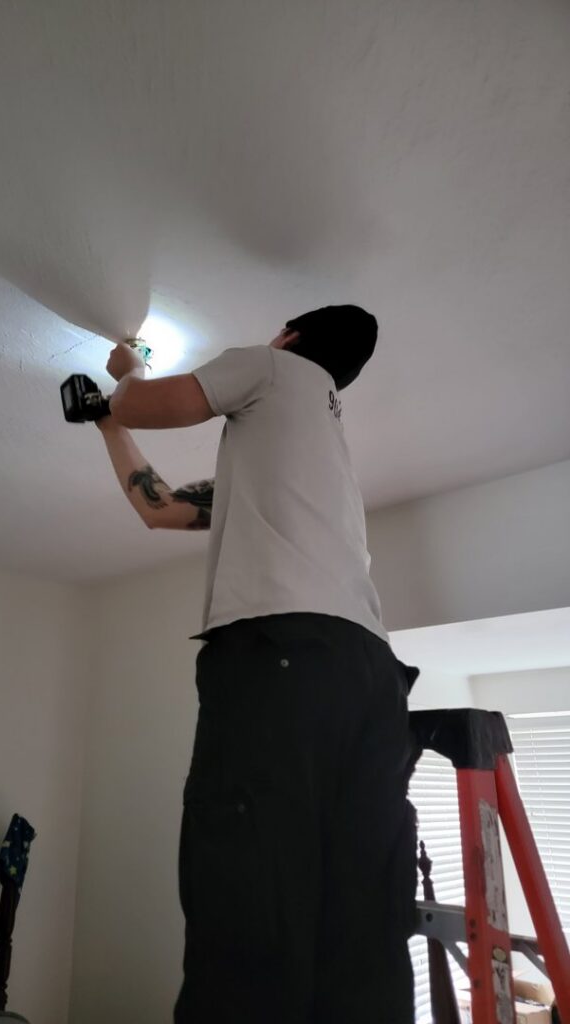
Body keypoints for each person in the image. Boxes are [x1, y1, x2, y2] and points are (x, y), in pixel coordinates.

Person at [95, 305, 418, 1024]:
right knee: (361, 932)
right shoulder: (316, 462)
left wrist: (126, 375)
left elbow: (142, 403)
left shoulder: (272, 366)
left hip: (285, 664)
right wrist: (104, 425)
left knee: (251, 918)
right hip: (371, 678)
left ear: (291, 335)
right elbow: (164, 509)